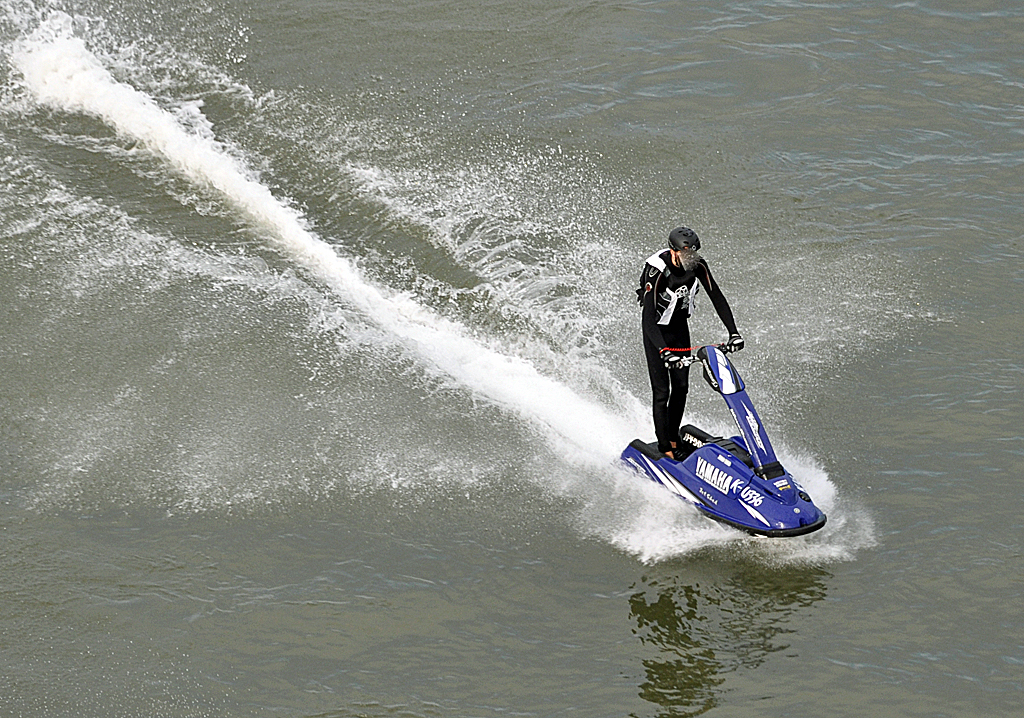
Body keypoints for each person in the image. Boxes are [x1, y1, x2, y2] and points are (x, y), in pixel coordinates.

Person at [637, 226, 744, 459]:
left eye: (693, 254)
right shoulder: (657, 270)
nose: (690, 259)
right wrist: (663, 351)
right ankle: (665, 448)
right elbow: (647, 317)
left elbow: (716, 295)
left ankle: (674, 437)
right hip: (657, 333)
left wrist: (733, 332)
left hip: (679, 329)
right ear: (673, 251)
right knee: (662, 392)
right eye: (686, 255)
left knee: (682, 387)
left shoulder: (698, 265)